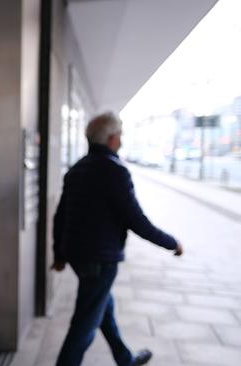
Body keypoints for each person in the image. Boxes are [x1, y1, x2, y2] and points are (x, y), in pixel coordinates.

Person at [52, 112, 183, 366]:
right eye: (120, 134)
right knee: (83, 327)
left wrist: (59, 253)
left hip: (79, 256)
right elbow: (137, 221)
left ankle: (125, 360)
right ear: (112, 139)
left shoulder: (77, 169)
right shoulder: (114, 172)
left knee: (103, 309)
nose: (121, 139)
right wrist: (172, 243)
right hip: (100, 260)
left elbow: (61, 215)